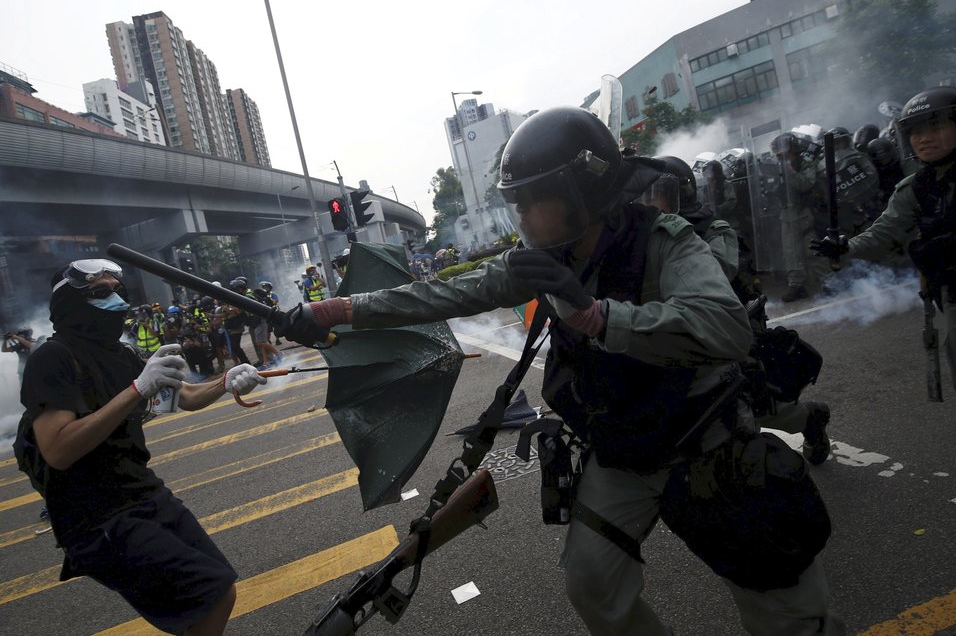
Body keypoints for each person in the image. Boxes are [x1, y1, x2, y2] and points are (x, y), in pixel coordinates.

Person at [276, 107, 844, 635]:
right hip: (621, 447)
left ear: (580, 194)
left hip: (704, 442)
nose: (520, 215)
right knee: (594, 587)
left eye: (531, 200)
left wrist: (598, 318)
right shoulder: (548, 258)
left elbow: (725, 328)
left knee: (786, 611)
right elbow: (445, 293)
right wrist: (343, 312)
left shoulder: (665, 242)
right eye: (515, 202)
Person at [16, 259, 266, 635]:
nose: (115, 300)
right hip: (97, 515)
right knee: (207, 595)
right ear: (69, 303)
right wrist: (136, 390)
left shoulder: (124, 355)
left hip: (144, 493)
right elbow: (58, 449)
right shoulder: (52, 359)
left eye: (117, 291)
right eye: (101, 293)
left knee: (222, 588)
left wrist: (225, 382)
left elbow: (182, 396)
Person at [648, 160, 832, 466]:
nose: (648, 203)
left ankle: (810, 419)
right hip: (679, 342)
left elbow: (718, 270)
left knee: (759, 410)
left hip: (728, 336)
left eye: (657, 194)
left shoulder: (711, 228)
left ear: (683, 194)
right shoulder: (647, 234)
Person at [812, 86, 956, 409]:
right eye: (915, 131)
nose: (924, 138)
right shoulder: (917, 188)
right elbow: (883, 233)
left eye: (935, 126)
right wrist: (844, 248)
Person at [771, 132, 830, 302]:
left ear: (794, 151)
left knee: (813, 250)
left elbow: (806, 184)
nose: (781, 157)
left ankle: (829, 282)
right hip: (786, 214)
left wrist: (788, 172)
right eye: (779, 154)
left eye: (785, 153)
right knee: (791, 253)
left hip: (805, 212)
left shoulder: (806, 163)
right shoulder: (779, 167)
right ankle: (796, 285)